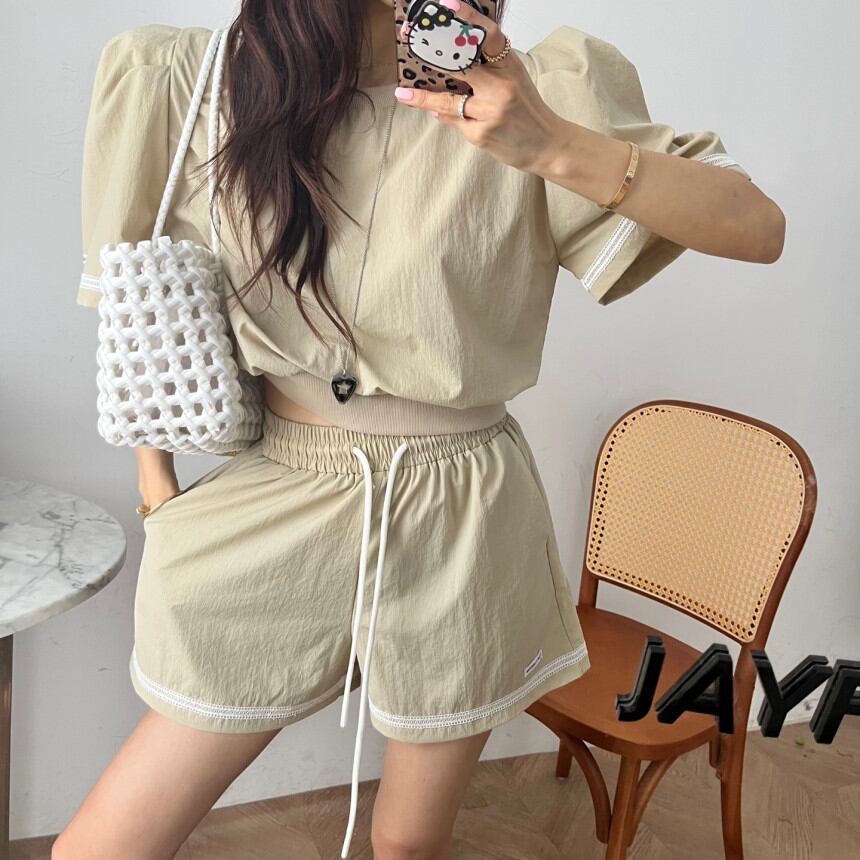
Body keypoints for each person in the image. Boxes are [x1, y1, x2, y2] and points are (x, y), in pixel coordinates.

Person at [57, 0, 784, 858]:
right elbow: (139, 315)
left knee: (408, 840)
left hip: (462, 504)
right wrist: (159, 493)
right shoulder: (190, 79)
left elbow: (757, 227)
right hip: (275, 487)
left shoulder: (536, 88)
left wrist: (551, 144)